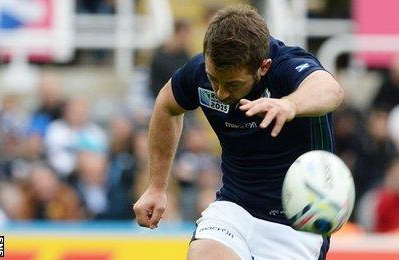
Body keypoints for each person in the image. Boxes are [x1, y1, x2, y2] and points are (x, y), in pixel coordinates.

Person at [133, 5, 344, 260]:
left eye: (232, 84)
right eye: (214, 79)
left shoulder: (286, 65)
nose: (220, 92)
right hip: (235, 207)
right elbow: (167, 106)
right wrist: (156, 186)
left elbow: (330, 89)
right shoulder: (200, 71)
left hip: (296, 222)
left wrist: (289, 105)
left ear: (263, 67)